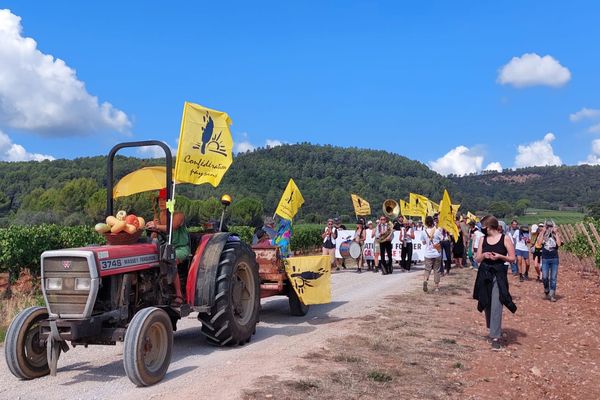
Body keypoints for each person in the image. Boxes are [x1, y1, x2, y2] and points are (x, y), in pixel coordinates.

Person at [473, 215, 517, 350]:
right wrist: (484, 256)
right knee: (486, 302)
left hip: (499, 274)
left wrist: (500, 256)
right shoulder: (482, 239)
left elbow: (512, 258)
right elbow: (477, 259)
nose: (482, 229)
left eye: (483, 227)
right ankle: (492, 327)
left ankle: (495, 337)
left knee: (497, 302)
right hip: (485, 273)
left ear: (488, 226)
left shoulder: (505, 238)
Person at [146, 188, 190, 306]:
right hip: (164, 248)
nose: (161, 202)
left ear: (170, 202)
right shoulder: (158, 216)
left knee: (170, 259)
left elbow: (172, 227)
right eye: (159, 200)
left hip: (180, 248)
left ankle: (179, 295)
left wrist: (157, 225)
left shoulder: (178, 215)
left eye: (164, 199)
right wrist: (153, 229)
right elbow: (154, 237)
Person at [536, 220, 563, 302]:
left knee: (553, 278)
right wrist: (542, 232)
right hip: (545, 258)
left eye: (551, 227)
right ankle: (546, 288)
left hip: (554, 258)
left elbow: (558, 244)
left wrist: (556, 233)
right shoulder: (543, 235)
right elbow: (539, 243)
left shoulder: (555, 235)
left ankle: (552, 294)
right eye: (548, 227)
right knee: (544, 277)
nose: (549, 228)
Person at [422, 216, 443, 292]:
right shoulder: (437, 231)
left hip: (428, 253)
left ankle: (425, 280)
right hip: (437, 253)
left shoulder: (424, 232)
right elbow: (442, 239)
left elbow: (423, 242)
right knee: (437, 270)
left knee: (427, 269)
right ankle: (436, 287)